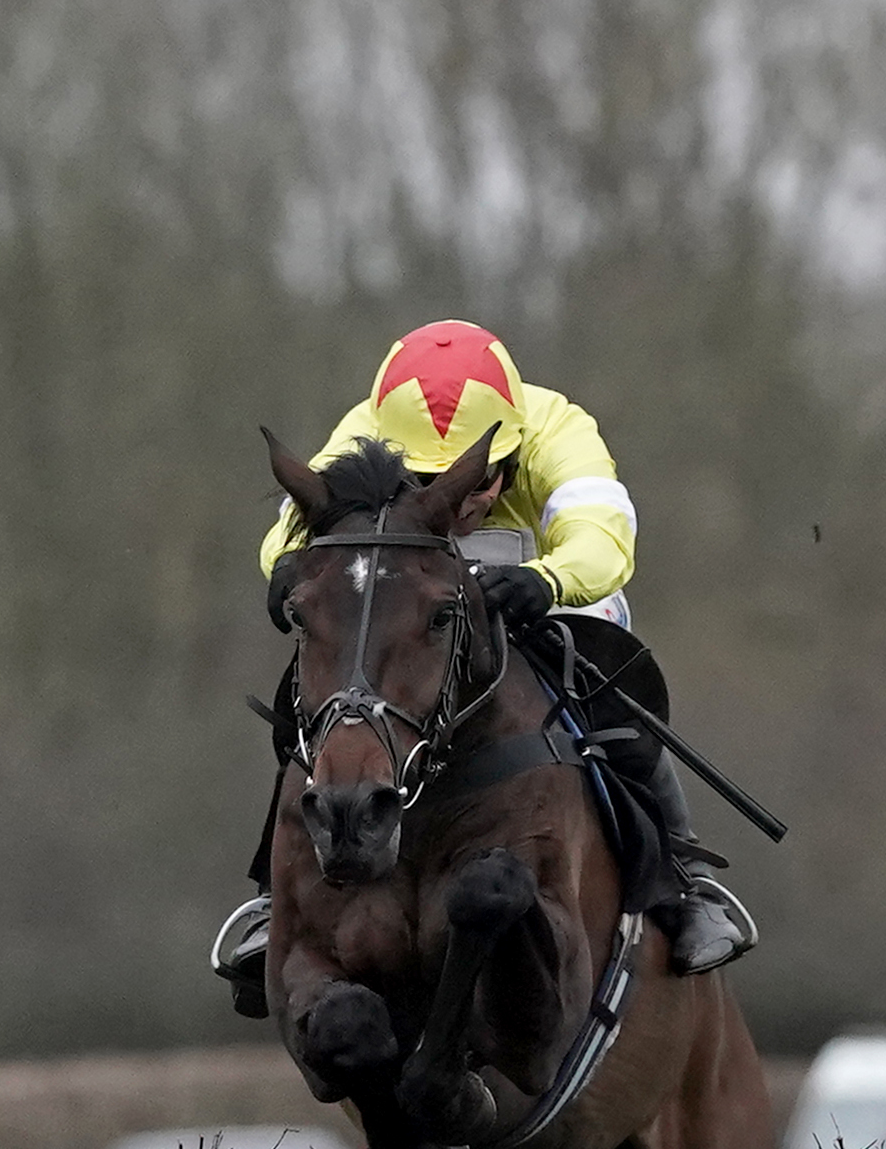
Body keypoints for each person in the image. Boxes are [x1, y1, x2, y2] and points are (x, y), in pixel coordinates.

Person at [210, 322, 754, 1017]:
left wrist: (547, 580)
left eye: (473, 478)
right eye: (425, 481)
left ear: (512, 447)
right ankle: (274, 895)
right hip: (414, 602)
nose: (459, 504)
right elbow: (289, 533)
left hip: (549, 592)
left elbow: (604, 541)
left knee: (611, 678)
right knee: (322, 690)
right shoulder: (363, 430)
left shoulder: (561, 430)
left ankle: (684, 880)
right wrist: (288, 568)